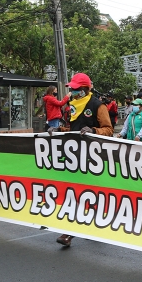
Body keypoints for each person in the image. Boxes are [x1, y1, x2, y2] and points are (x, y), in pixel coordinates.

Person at [57, 72, 113, 248]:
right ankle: (74, 229)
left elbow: (108, 129)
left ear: (84, 89)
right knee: (74, 193)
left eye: (74, 89)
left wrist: (94, 131)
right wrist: (60, 131)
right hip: (73, 157)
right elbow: (72, 129)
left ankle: (77, 229)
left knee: (89, 193)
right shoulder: (72, 106)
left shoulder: (98, 105)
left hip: (92, 157)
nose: (71, 93)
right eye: (71, 89)